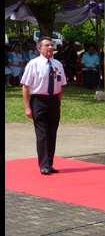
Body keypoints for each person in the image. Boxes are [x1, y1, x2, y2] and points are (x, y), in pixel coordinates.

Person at [21, 36, 67, 175]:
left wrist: (59, 104)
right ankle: (43, 164)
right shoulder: (33, 64)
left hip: (53, 101)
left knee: (52, 133)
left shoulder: (57, 64)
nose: (50, 48)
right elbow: (25, 86)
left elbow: (60, 86)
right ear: (39, 48)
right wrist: (27, 106)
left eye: (51, 45)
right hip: (39, 101)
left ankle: (50, 163)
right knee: (42, 134)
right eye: (46, 45)